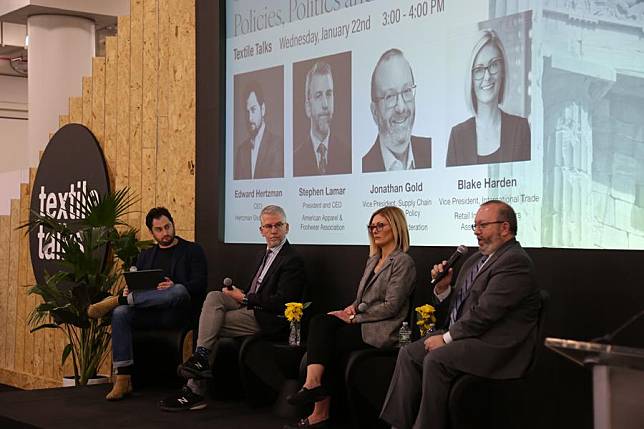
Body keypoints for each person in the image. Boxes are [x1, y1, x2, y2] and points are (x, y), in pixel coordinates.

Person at [380, 200, 540, 429]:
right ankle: (398, 425)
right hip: (469, 337)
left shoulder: (515, 261)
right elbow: (460, 308)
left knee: (436, 358)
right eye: (475, 226)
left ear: (505, 228)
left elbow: (485, 313)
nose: (477, 232)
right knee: (409, 353)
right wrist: (444, 289)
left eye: (483, 225)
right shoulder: (475, 260)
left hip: (496, 346)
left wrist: (445, 339)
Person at [159, 205, 306, 411]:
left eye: (278, 225)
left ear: (287, 227)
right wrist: (239, 294)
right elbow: (255, 290)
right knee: (214, 297)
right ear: (261, 230)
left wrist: (245, 298)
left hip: (268, 317)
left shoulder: (292, 260)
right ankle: (200, 359)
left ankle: (194, 388)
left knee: (211, 324)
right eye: (269, 226)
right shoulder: (262, 255)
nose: (274, 230)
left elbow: (282, 302)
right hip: (250, 306)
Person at [284, 206, 416, 429]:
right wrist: (347, 311)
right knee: (322, 323)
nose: (375, 230)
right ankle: (315, 394)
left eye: (380, 225)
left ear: (396, 226)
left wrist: (354, 319)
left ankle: (316, 401)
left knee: (327, 336)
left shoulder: (403, 262)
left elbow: (391, 307)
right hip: (363, 324)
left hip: (382, 330)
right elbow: (360, 298)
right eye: (372, 226)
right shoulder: (373, 260)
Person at [87, 207, 207, 401]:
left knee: (177, 290)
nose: (165, 233)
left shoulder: (193, 250)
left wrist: (174, 285)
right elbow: (139, 284)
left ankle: (120, 299)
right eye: (159, 229)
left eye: (168, 227)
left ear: (173, 224)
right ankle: (123, 379)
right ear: (152, 233)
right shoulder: (145, 256)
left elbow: (200, 285)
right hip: (148, 311)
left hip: (176, 311)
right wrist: (131, 291)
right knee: (120, 313)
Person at [446, 30, 531, 167]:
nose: (487, 77)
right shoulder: (458, 136)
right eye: (479, 70)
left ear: (502, 70)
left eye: (493, 65)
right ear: (471, 79)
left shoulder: (520, 129)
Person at [362, 49, 431, 173]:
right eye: (390, 96)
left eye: (406, 91)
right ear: (375, 112)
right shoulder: (364, 168)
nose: (401, 107)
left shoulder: (432, 152)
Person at [293, 61, 351, 176]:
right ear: (308, 107)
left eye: (329, 94)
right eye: (318, 96)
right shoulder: (294, 161)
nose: (325, 104)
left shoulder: (349, 156)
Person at [234, 81, 284, 179]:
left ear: (263, 109)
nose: (249, 118)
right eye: (247, 111)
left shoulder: (278, 145)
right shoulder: (241, 151)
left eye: (253, 110)